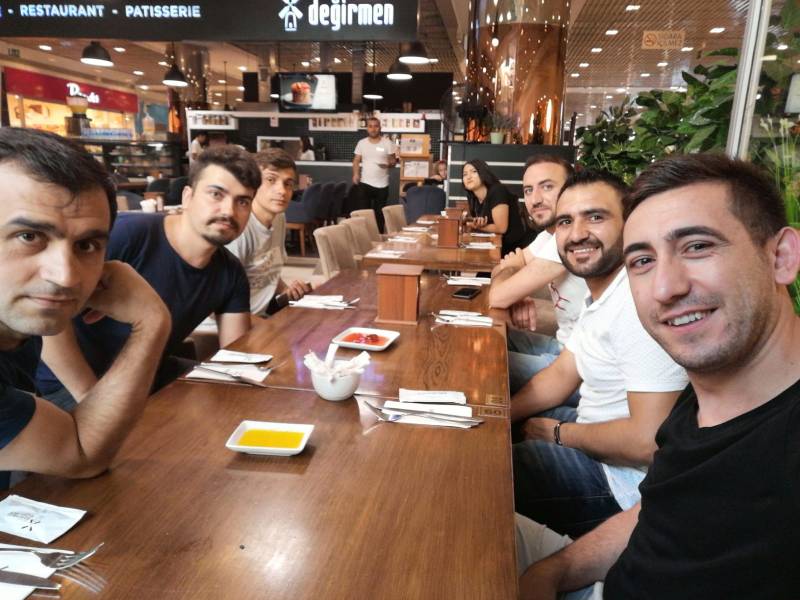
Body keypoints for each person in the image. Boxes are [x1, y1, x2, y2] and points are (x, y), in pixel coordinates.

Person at [518, 154, 800, 599]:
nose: (666, 288)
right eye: (643, 260)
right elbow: (657, 507)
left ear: (781, 256)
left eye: (697, 246)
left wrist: (556, 433)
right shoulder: (708, 397)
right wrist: (556, 570)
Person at [511, 169, 687, 538]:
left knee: (479, 468)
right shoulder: (605, 291)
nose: (577, 234)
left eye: (595, 216)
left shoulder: (637, 305)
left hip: (620, 486)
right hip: (595, 431)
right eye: (565, 221)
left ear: (630, 224)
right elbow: (561, 375)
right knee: (496, 430)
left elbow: (647, 441)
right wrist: (500, 415)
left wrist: (560, 433)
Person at [0, 127, 170, 487]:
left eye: (87, 245)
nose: (65, 276)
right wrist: (152, 322)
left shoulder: (18, 323)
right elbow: (82, 451)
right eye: (29, 237)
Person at [36, 145, 260, 411]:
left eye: (242, 201)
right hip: (68, 383)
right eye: (216, 194)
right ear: (188, 196)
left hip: (147, 374)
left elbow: (234, 358)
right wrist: (92, 399)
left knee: (232, 403)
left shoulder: (231, 273)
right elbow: (47, 320)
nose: (229, 211)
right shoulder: (126, 236)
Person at [488, 155, 588, 394]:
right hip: (564, 348)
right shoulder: (548, 237)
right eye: (528, 190)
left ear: (571, 189)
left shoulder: (571, 238)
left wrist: (512, 286)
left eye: (547, 187)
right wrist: (516, 291)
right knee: (480, 336)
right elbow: (498, 270)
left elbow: (497, 295)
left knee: (478, 361)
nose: (535, 199)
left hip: (584, 371)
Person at [226, 148, 312, 318]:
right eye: (271, 180)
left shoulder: (279, 218)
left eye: (288, 184)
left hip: (264, 315)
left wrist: (287, 291)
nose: (282, 191)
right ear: (252, 184)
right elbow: (218, 306)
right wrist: (266, 327)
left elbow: (265, 271)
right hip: (230, 326)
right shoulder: (238, 230)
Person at [462, 159, 534, 255]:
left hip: (521, 248)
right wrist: (474, 223)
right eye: (465, 174)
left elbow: (501, 228)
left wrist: (476, 226)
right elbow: (481, 223)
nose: (468, 177)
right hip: (500, 247)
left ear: (483, 173)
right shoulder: (473, 199)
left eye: (474, 172)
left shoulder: (497, 191)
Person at [352, 117, 396, 233]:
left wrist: (389, 164)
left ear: (380, 128)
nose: (373, 129)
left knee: (379, 215)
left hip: (382, 184)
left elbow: (393, 161)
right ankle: (364, 237)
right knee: (363, 214)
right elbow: (356, 160)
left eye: (376, 126)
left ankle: (379, 238)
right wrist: (355, 174)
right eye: (370, 126)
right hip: (365, 183)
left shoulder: (387, 143)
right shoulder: (361, 143)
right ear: (367, 128)